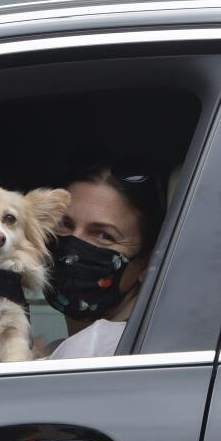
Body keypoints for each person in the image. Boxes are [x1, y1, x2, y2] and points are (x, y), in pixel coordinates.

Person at [44, 150, 165, 359]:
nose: (73, 246)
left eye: (103, 235)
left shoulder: (95, 350)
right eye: (65, 224)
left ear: (146, 263)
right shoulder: (60, 350)